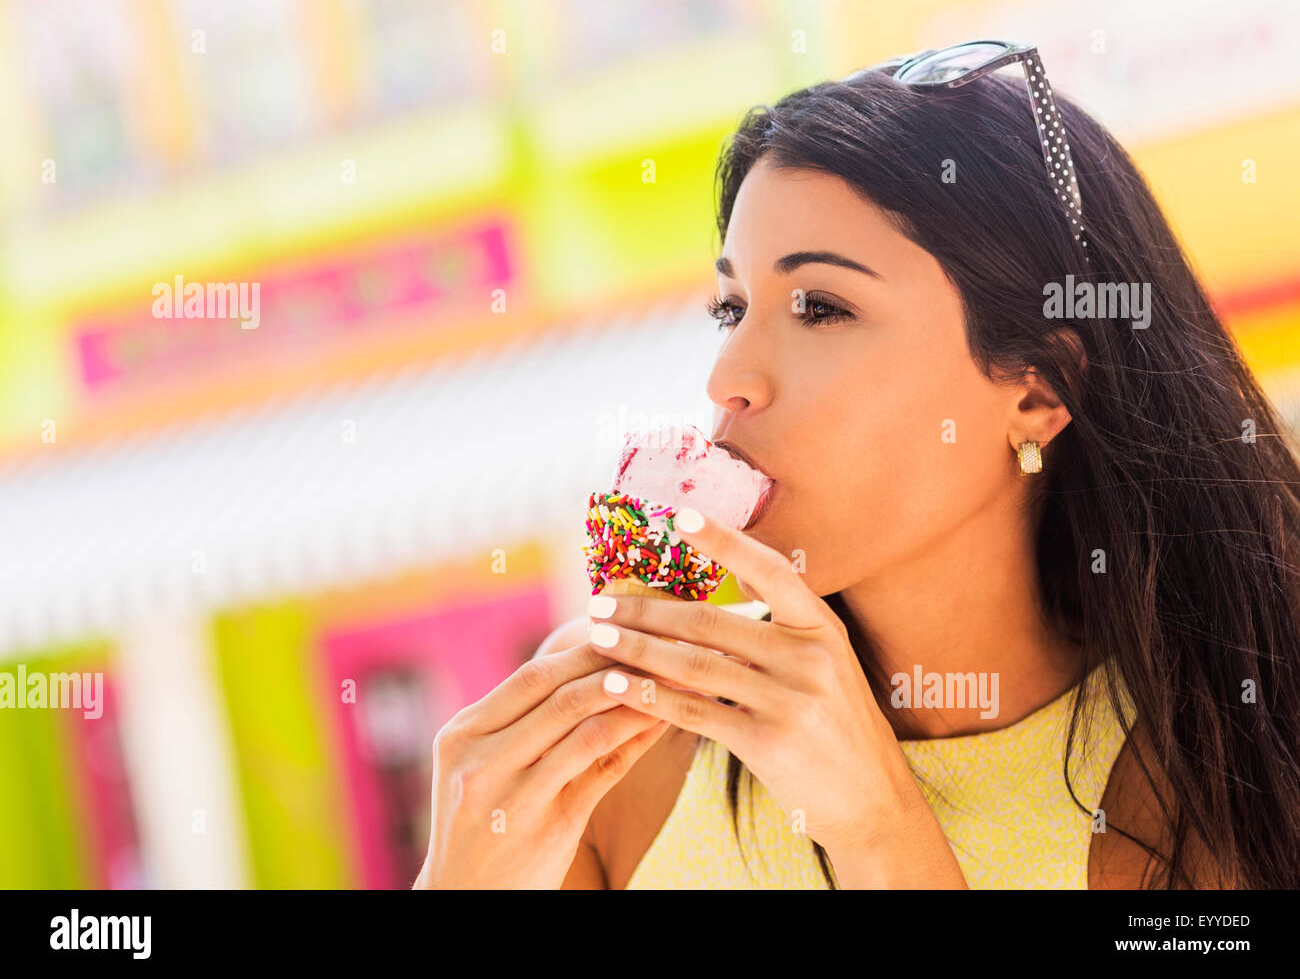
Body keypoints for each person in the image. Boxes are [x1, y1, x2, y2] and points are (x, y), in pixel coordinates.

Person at [415, 43, 1300, 889]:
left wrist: (879, 831)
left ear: (1038, 390)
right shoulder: (627, 759)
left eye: (823, 307)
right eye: (732, 308)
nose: (728, 378)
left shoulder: (1210, 791)